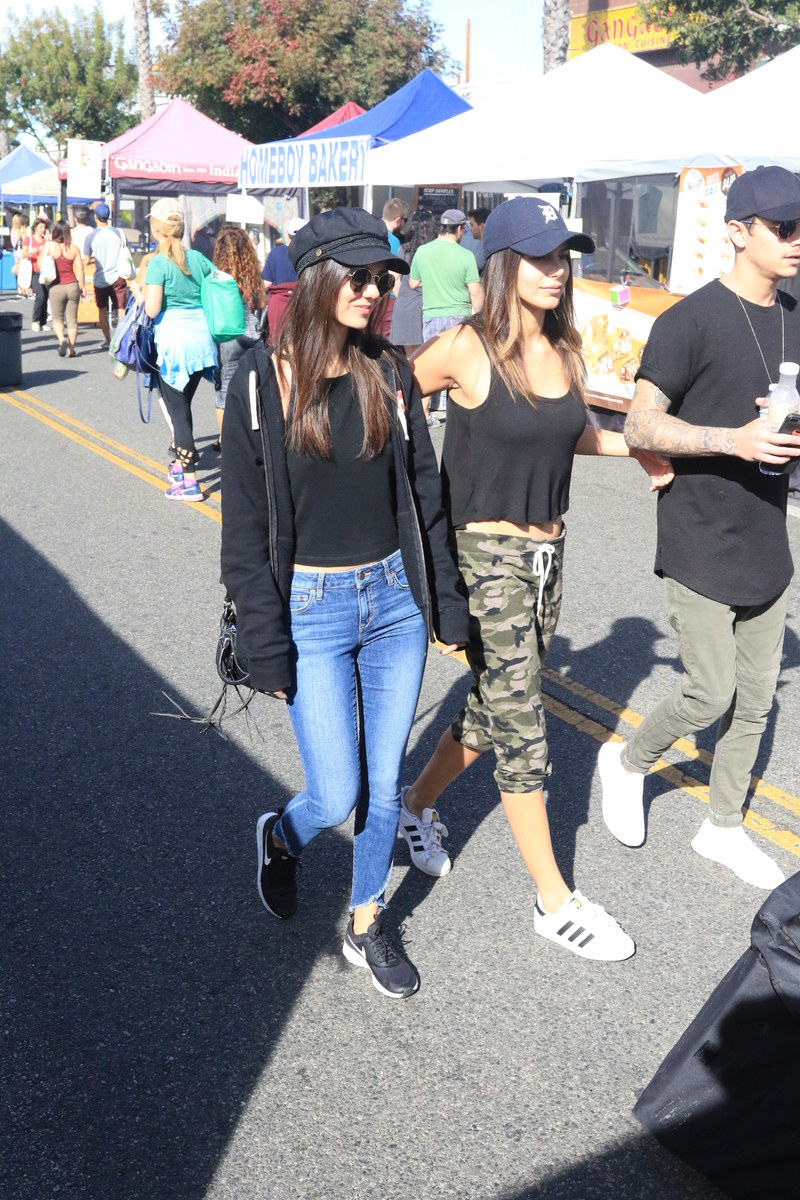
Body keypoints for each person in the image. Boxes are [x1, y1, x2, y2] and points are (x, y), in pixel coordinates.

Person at [399, 197, 673, 962]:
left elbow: (570, 432)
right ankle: (555, 901)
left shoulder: (564, 348)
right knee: (524, 727)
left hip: (549, 558)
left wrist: (643, 452)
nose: (558, 271)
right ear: (504, 264)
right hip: (485, 557)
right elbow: (387, 402)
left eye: (564, 257)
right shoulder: (464, 348)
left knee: (494, 708)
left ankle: (413, 805)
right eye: (543, 257)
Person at [220, 207, 470, 998]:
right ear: (318, 279)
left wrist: (446, 604)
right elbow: (244, 532)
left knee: (383, 786)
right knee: (336, 793)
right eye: (358, 277)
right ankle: (282, 838)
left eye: (382, 279)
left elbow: (426, 498)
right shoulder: (258, 384)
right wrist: (264, 645)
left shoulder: (390, 371)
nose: (373, 291)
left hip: (394, 603)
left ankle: (367, 921)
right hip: (311, 609)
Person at [599, 165, 800, 891]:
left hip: (766, 539)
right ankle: (626, 762)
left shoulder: (796, 310)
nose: (797, 240)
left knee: (756, 699)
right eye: (784, 227)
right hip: (699, 535)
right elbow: (640, 425)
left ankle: (722, 827)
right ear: (738, 232)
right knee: (711, 692)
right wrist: (732, 441)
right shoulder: (689, 320)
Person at [143, 198, 217, 502]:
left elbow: (151, 310)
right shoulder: (198, 258)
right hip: (203, 343)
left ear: (156, 228)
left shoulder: (158, 263)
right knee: (183, 404)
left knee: (179, 413)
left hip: (174, 345)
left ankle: (189, 481)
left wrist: (142, 293)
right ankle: (178, 467)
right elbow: (218, 284)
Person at [409, 208, 482, 418]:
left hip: (431, 315)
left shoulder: (422, 251)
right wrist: (480, 317)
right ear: (458, 229)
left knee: (430, 366)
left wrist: (434, 283)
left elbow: (413, 283)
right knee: (461, 368)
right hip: (460, 315)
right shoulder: (466, 255)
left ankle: (423, 414)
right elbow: (475, 291)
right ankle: (459, 414)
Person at [211, 226, 267, 451]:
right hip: (253, 335)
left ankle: (226, 442)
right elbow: (261, 304)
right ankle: (256, 437)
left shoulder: (217, 277)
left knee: (224, 390)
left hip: (228, 339)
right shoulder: (252, 274)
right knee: (254, 387)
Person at [389, 213, 439, 424]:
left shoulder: (404, 248)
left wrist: (403, 296)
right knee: (426, 361)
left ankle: (408, 408)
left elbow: (395, 278)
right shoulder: (432, 251)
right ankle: (424, 413)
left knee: (411, 361)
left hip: (403, 305)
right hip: (423, 305)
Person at [84, 202, 128, 348]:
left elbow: (86, 260)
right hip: (118, 276)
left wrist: (95, 259)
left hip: (100, 278)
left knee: (102, 309)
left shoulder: (91, 236)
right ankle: (121, 340)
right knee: (120, 308)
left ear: (95, 217)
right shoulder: (118, 233)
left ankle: (108, 340)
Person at [262, 216, 306, 341]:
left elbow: (266, 283)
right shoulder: (311, 254)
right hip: (303, 303)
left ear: (288, 235)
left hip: (278, 307)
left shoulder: (276, 252)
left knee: (278, 345)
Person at [47, 221, 85, 358]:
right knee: (72, 320)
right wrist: (82, 286)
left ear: (55, 232)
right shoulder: (74, 248)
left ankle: (61, 340)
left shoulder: (50, 247)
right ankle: (71, 350)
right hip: (72, 285)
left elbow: (40, 264)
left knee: (57, 318)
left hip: (56, 286)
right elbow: (80, 269)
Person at [21, 215, 52, 331]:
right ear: (35, 228)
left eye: (44, 227)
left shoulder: (46, 240)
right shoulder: (29, 239)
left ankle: (43, 322)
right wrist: (30, 252)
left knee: (46, 296)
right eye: (41, 227)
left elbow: (51, 253)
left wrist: (48, 240)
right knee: (40, 295)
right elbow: (23, 254)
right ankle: (35, 320)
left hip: (45, 271)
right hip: (34, 271)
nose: (43, 229)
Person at [460, 206, 490, 270]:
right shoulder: (485, 245)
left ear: (482, 226)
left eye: (472, 225)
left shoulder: (485, 248)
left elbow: (475, 270)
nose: (470, 229)